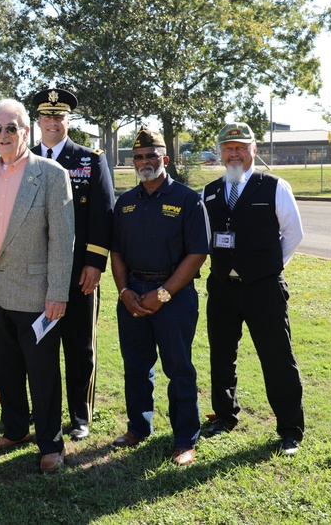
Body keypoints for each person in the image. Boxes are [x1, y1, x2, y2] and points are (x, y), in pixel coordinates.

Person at [0, 99, 74, 474]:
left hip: (37, 294)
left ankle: (51, 443)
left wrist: (57, 292)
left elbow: (62, 238)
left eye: (11, 128)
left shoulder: (51, 174)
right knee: (6, 370)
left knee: (42, 373)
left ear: (26, 131)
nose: (3, 135)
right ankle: (16, 429)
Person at [202, 122, 306, 456]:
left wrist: (269, 268)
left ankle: (290, 429)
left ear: (253, 150)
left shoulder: (274, 187)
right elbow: (205, 238)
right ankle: (225, 416)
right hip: (222, 288)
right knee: (221, 355)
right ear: (221, 152)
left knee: (277, 358)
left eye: (240, 147)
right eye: (228, 148)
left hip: (263, 289)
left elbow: (293, 235)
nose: (234, 153)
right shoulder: (210, 191)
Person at [109, 128, 209, 466]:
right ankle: (138, 427)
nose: (144, 162)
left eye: (151, 156)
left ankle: (184, 440)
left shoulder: (186, 199)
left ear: (165, 158)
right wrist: (124, 291)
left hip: (174, 297)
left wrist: (163, 294)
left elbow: (197, 253)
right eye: (138, 157)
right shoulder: (124, 203)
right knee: (136, 366)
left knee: (178, 369)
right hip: (134, 295)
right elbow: (117, 252)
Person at [32, 88, 115, 441]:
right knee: (39, 347)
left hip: (78, 273)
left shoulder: (89, 160)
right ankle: (44, 411)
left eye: (60, 116)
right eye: (47, 116)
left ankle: (80, 415)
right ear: (37, 120)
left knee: (79, 347)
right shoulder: (24, 157)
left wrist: (95, 263)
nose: (53, 121)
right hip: (34, 272)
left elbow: (103, 215)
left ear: (69, 120)